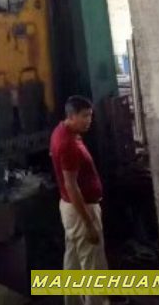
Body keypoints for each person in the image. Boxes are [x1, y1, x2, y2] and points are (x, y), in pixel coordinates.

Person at [50, 95, 108, 305]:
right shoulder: (68, 144)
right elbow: (71, 186)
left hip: (70, 208)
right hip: (81, 209)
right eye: (84, 116)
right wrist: (89, 223)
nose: (89, 120)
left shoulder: (62, 131)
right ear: (71, 116)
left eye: (90, 115)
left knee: (73, 260)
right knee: (93, 267)